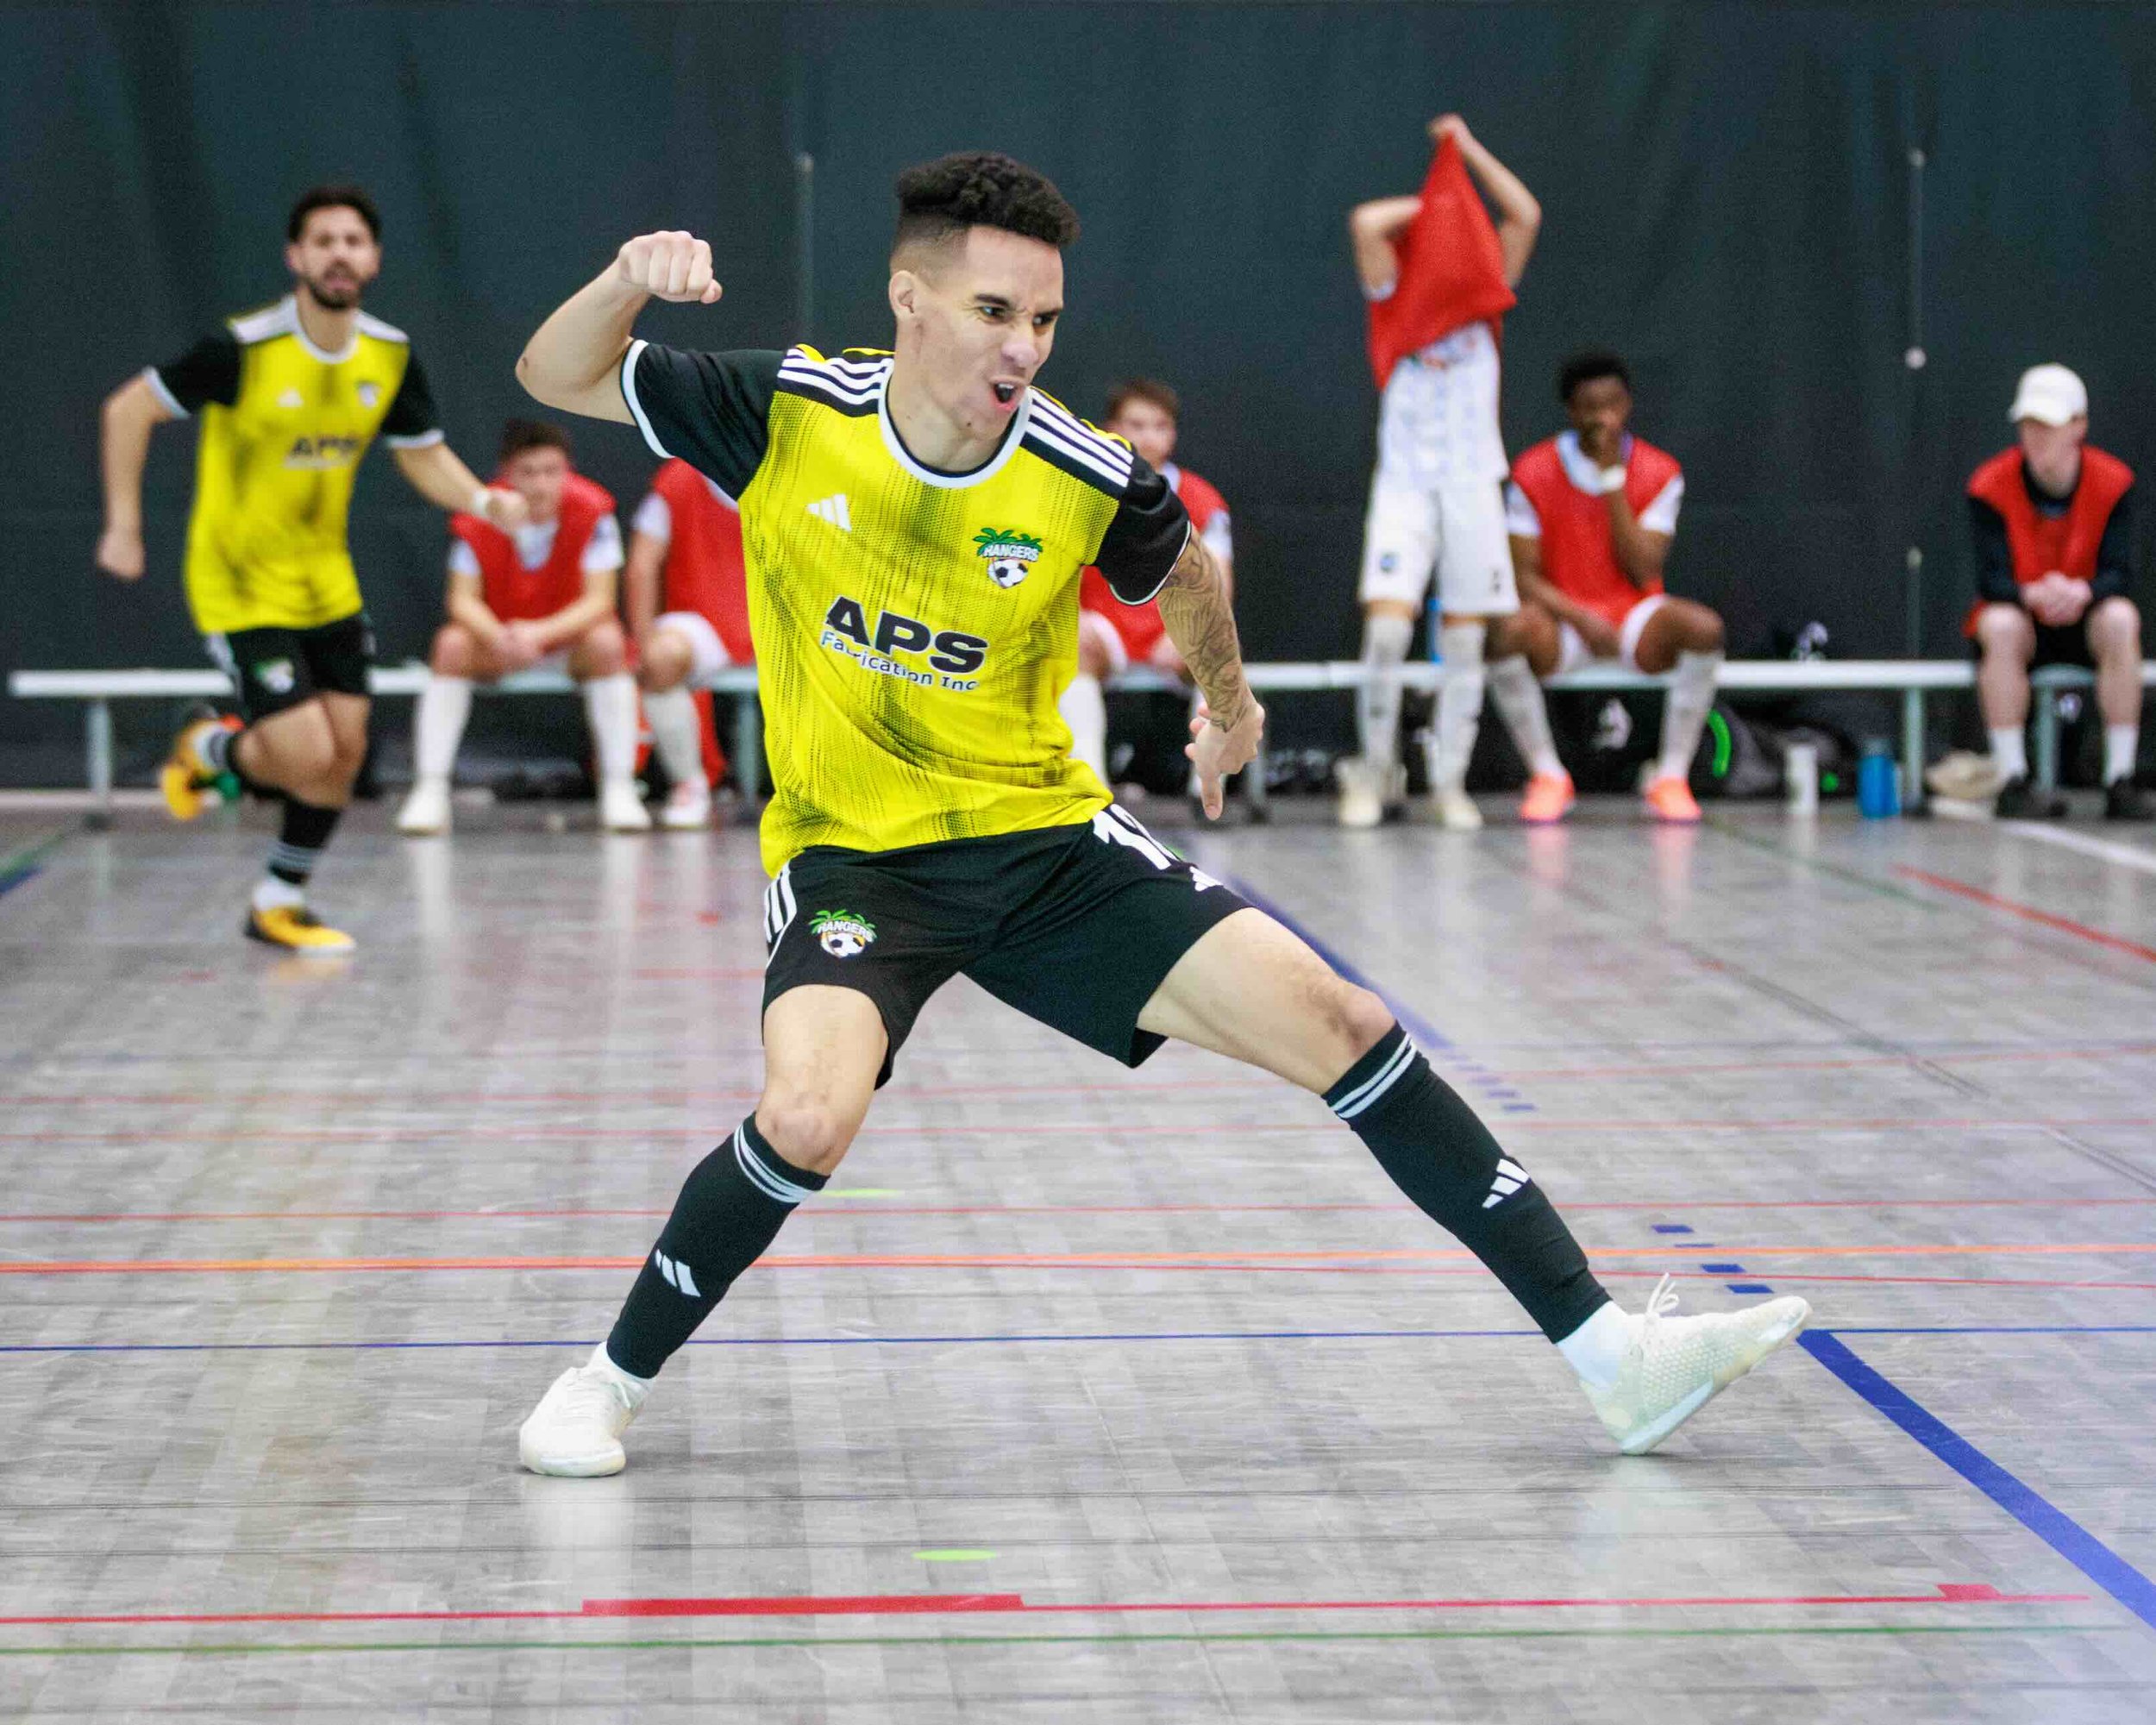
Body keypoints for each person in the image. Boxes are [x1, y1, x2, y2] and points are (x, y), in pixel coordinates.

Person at [508, 152, 1808, 1477]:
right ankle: (601, 1384)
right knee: (806, 1117)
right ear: (909, 298)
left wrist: (1227, 702)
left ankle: (1612, 1361)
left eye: (1045, 321)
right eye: (994, 312)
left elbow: (1182, 571)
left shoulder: (1080, 467)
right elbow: (552, 377)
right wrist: (625, 284)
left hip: (1049, 852)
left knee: (1346, 1022)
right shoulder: (784, 408)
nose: (1024, 347)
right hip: (859, 860)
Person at [97, 182, 525, 951]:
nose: (339, 253)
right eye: (323, 240)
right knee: (302, 756)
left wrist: (483, 502)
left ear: (374, 259)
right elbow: (128, 410)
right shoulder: (243, 349)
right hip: (238, 582)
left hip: (326, 581)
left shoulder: (388, 356)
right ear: (296, 257)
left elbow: (422, 456)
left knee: (346, 756)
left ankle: (276, 901)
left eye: (353, 241)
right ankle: (208, 748)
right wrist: (125, 527)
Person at [1343, 115, 1539, 831]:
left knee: (1464, 641)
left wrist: (1470, 155)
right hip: (1404, 488)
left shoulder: (1486, 308)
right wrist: (1443, 214)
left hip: (1472, 485)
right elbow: (1368, 221)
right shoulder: (1392, 301)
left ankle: (1448, 783)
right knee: (1388, 635)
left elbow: (1524, 214)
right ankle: (1373, 772)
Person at [1485, 351, 1723, 824]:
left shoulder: (1661, 472)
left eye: (1613, 404)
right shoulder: (1532, 471)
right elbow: (1523, 575)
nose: (1603, 417)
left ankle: (1670, 777)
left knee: (1704, 629)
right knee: (1505, 633)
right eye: (1590, 407)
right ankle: (1548, 775)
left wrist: (1613, 477)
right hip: (1564, 619)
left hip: (1634, 615)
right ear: (1571, 412)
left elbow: (1643, 568)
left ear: (1629, 404)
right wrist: (1581, 619)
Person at [396, 420, 645, 834]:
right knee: (451, 646)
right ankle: (430, 790)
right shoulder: (481, 515)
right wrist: (500, 637)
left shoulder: (594, 510)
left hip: (565, 642)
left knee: (608, 643)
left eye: (552, 471)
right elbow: (461, 600)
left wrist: (538, 634)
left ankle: (620, 788)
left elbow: (599, 600)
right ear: (507, 474)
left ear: (568, 471)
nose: (541, 485)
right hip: (500, 641)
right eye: (529, 473)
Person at [1965, 364, 2148, 820]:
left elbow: (2121, 572)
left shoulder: (2114, 482)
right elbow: (1991, 579)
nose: (2037, 436)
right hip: (2025, 622)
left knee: (2122, 618)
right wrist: (2033, 596)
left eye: (2049, 425)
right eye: (2029, 425)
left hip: (2087, 620)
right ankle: (2012, 779)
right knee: (1999, 624)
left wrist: (2080, 592)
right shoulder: (1990, 485)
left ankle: (2120, 778)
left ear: (2079, 427)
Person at [1059, 377, 1233, 785]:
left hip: (1174, 629)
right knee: (1069, 644)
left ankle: (1209, 785)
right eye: (1136, 425)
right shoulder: (1082, 491)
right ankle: (1090, 786)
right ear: (1111, 429)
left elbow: (1219, 585)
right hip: (1105, 630)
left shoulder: (1202, 499)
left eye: (1159, 426)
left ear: (1172, 435)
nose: (1148, 437)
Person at [624, 456, 755, 829]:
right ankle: (689, 784)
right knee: (662, 658)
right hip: (706, 625)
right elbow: (642, 564)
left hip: (788, 620)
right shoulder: (680, 479)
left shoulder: (795, 464)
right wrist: (644, 642)